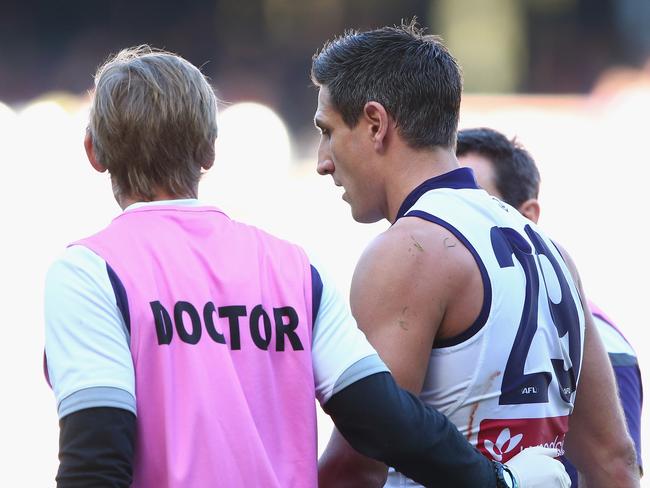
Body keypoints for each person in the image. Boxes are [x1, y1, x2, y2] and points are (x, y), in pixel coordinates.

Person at [42, 46, 568, 488]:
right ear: (209, 151)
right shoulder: (294, 268)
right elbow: (384, 419)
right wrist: (498, 482)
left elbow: (97, 455)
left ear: (94, 151)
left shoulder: (89, 272)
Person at [311, 21, 640, 488]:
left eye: (327, 131)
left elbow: (359, 467)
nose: (323, 160)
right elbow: (614, 462)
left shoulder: (409, 251)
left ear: (375, 124)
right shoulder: (553, 253)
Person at [456, 126, 644, 486]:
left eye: (477, 206)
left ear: (527, 216)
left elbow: (615, 468)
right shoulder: (447, 321)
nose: (457, 226)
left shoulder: (604, 345)